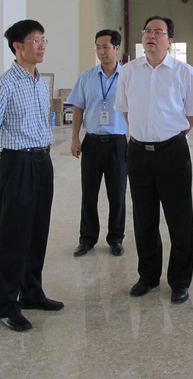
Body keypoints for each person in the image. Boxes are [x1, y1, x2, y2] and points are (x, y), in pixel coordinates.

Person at [114, 16, 193, 304]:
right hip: (138, 153)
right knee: (144, 218)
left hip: (173, 153)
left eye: (158, 32)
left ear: (170, 40)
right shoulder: (129, 71)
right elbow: (125, 109)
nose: (151, 35)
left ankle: (180, 280)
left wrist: (171, 135)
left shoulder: (185, 72)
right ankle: (148, 276)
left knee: (179, 218)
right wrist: (143, 134)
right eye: (147, 31)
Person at [0, 19, 63, 332]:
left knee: (37, 230)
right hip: (17, 162)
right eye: (35, 41)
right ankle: (6, 305)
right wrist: (4, 165)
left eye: (44, 40)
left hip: (42, 161)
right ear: (18, 46)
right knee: (12, 236)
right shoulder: (3, 84)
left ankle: (31, 292)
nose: (41, 46)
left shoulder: (41, 83)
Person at [69, 29, 128, 258]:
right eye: (98, 47)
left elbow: (135, 108)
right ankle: (87, 239)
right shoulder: (87, 77)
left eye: (106, 47)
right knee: (89, 194)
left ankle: (116, 239)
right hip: (92, 143)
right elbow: (78, 108)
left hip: (118, 143)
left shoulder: (127, 77)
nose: (101, 51)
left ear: (116, 48)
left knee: (117, 195)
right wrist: (75, 137)